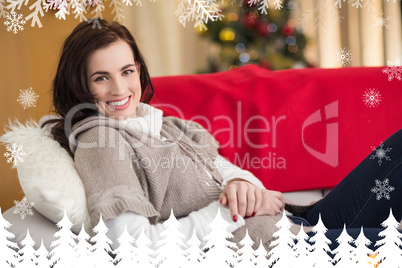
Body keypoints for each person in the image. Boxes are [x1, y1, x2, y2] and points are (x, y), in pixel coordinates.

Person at [43, 20, 402, 254]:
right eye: (101, 77)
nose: (120, 89)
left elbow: (228, 170)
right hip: (293, 251)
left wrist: (241, 187)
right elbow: (131, 244)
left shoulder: (162, 125)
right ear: (80, 85)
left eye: (126, 71)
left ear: (139, 70)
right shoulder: (101, 142)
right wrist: (231, 210)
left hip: (299, 222)